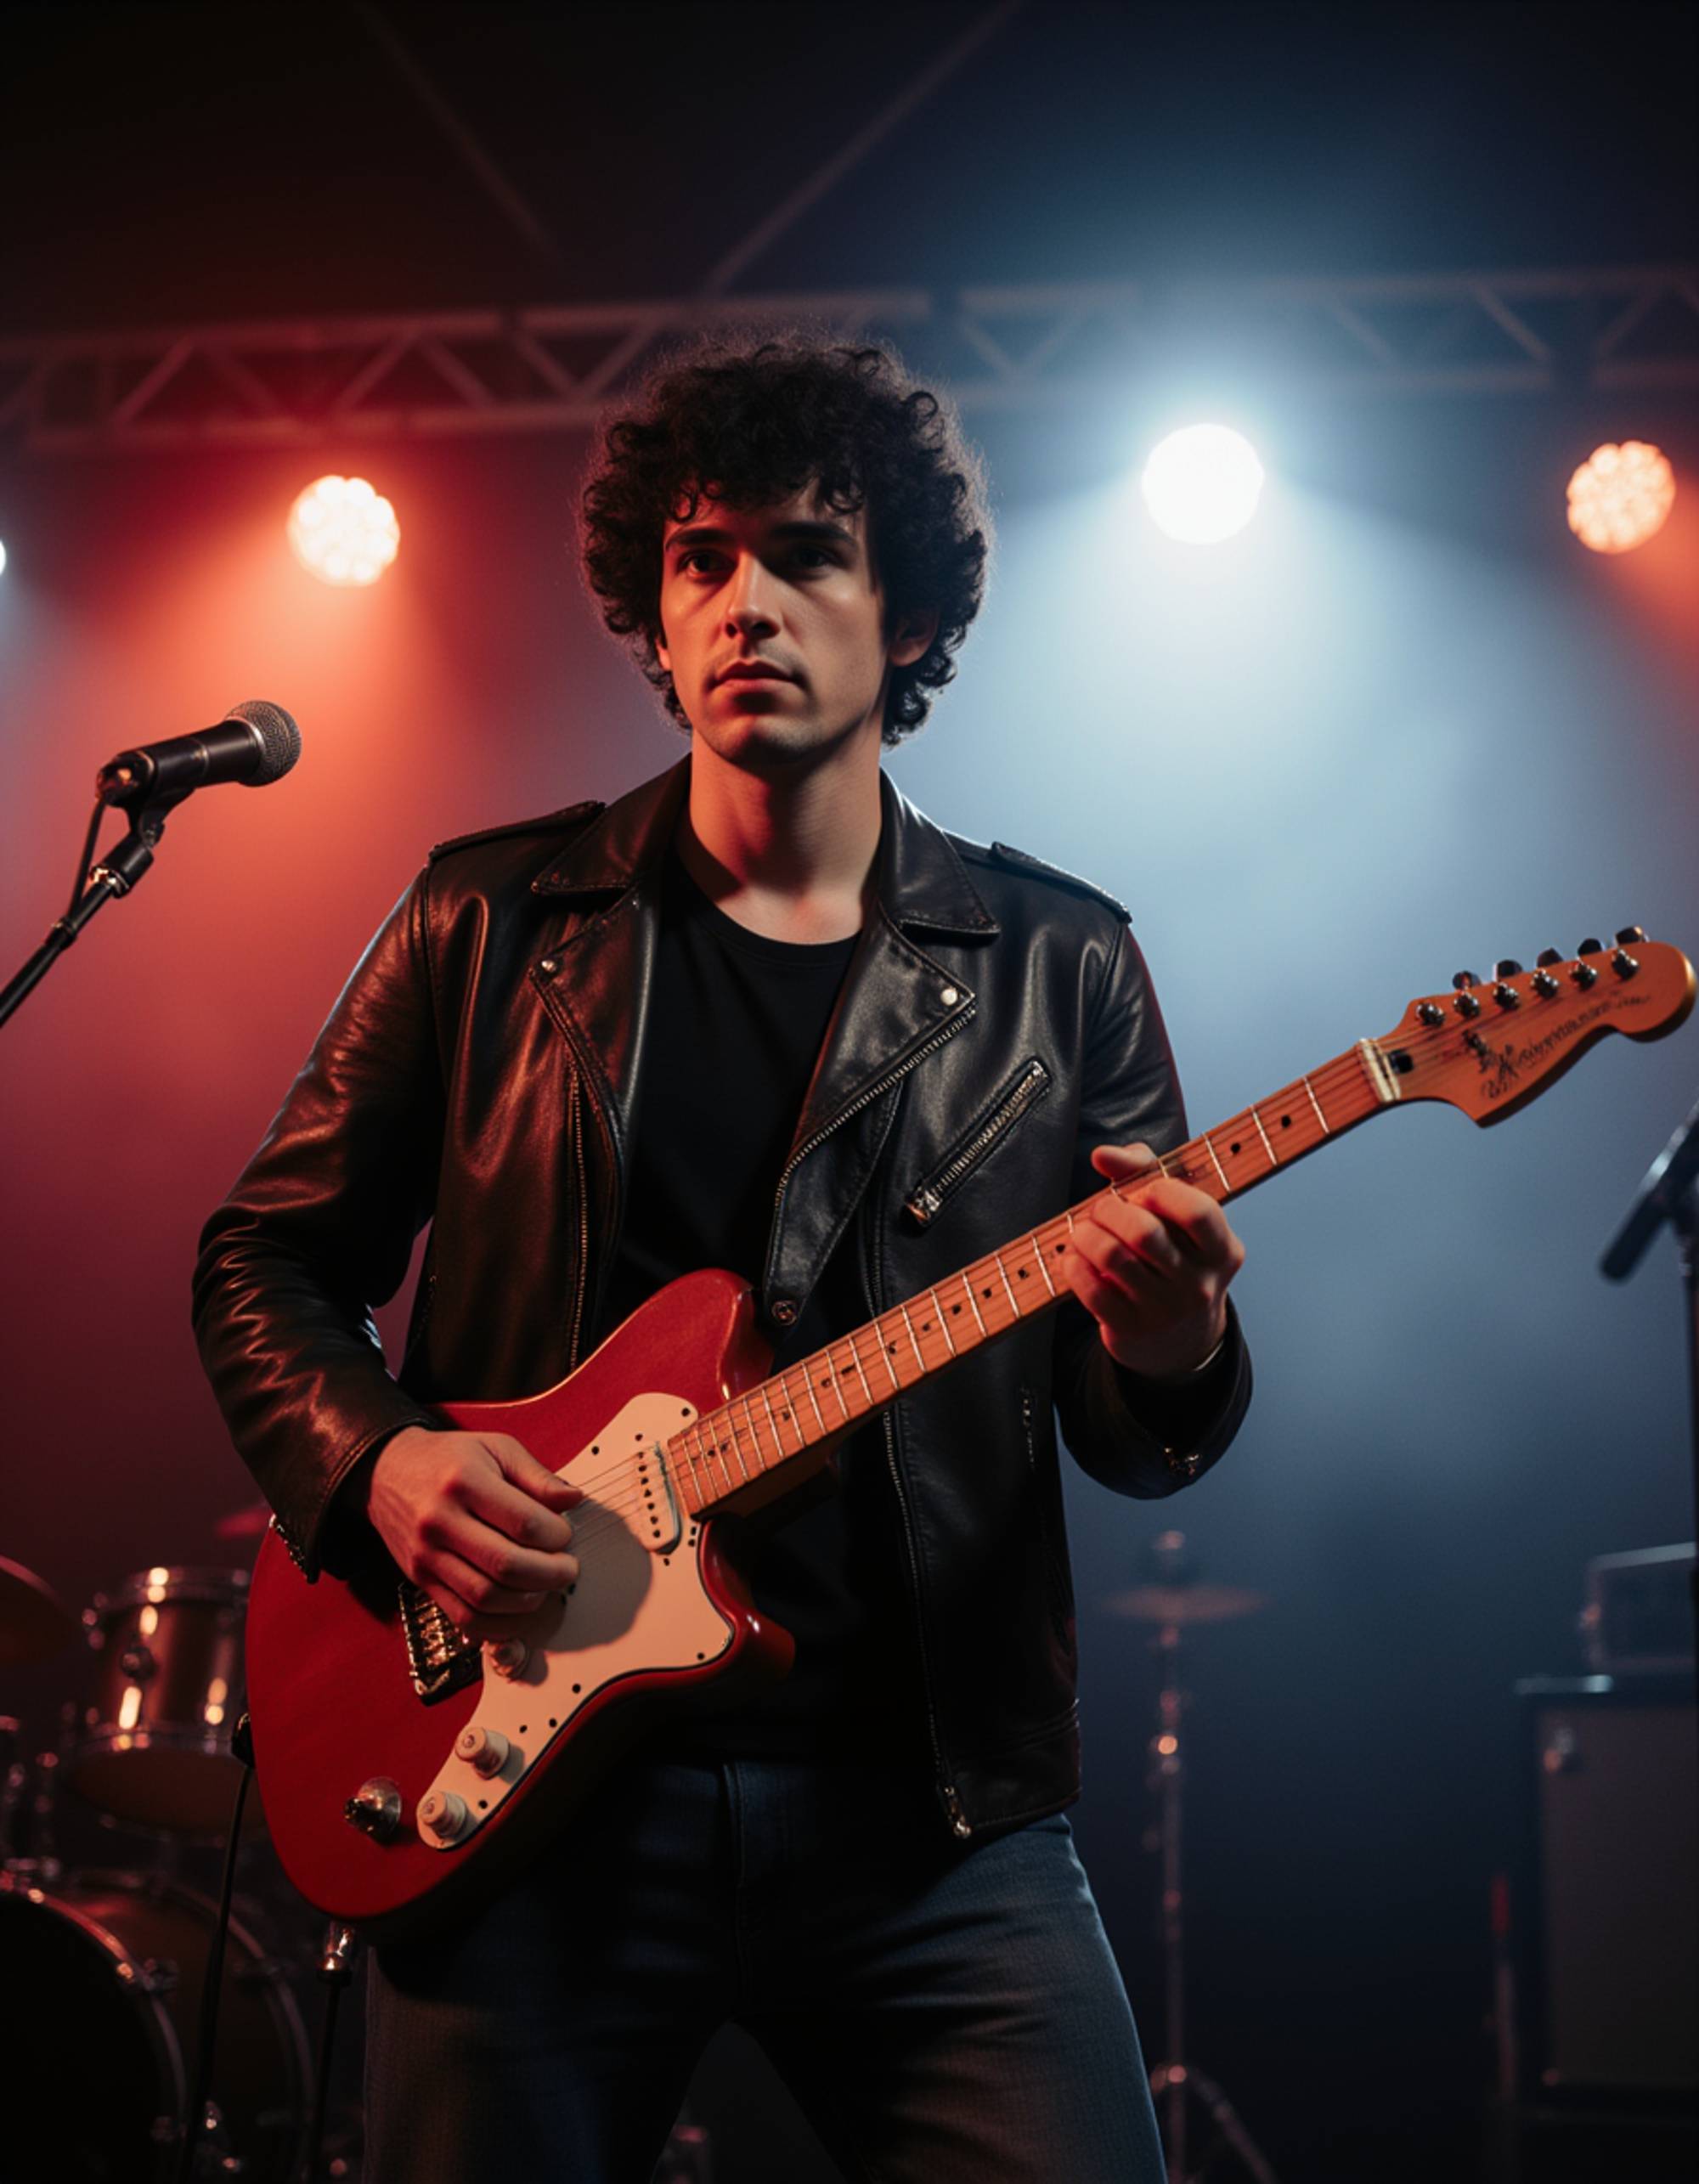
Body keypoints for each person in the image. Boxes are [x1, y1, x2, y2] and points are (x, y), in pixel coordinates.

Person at [193, 334, 1251, 2184]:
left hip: (932, 1811)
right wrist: (383, 1465)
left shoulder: (1059, 963)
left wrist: (1169, 1343)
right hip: (533, 1799)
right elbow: (262, 1258)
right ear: (656, 608)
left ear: (909, 617)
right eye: (703, 558)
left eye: (807, 553)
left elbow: (1130, 1428)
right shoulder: (488, 917)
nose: (745, 601)